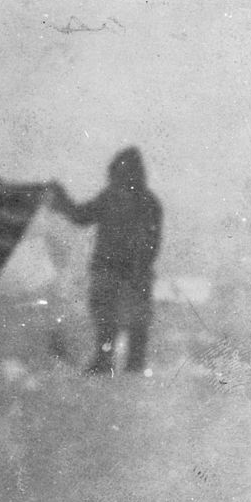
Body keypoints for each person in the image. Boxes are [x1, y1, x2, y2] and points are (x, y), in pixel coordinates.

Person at [50, 147, 163, 375]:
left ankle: (109, 361)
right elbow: (152, 241)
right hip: (125, 271)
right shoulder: (145, 201)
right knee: (122, 321)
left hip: (115, 269)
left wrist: (62, 202)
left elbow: (80, 216)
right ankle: (126, 364)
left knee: (112, 319)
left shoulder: (120, 199)